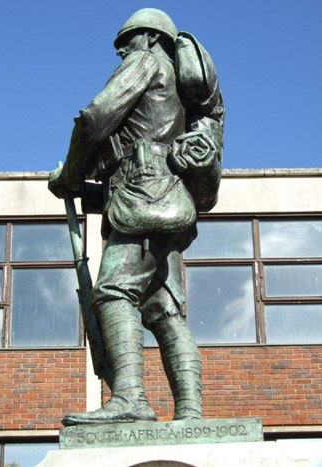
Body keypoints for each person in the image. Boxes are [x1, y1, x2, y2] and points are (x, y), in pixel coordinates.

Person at [48, 8, 224, 425]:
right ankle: (191, 413)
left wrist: (70, 174)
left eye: (126, 41)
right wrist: (85, 187)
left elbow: (94, 119)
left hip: (141, 203)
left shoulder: (145, 62)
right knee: (164, 312)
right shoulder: (179, 91)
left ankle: (129, 399)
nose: (122, 51)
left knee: (111, 293)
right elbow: (127, 161)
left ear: (149, 38)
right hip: (168, 202)